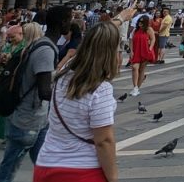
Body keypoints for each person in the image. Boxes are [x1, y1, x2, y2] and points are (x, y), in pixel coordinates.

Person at [33, 21, 121, 182]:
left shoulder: (64, 72)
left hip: (45, 166)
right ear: (111, 53)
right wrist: (113, 177)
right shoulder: (101, 89)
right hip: (81, 171)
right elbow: (103, 141)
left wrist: (119, 19)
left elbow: (97, 41)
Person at [0, 6, 69, 182]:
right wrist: (70, 101)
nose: (70, 23)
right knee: (8, 169)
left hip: (37, 119)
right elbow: (44, 90)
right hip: (27, 120)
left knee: (46, 164)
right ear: (61, 23)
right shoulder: (46, 50)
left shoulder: (41, 43)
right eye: (68, 20)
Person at [129, 16, 157, 97]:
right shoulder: (135, 30)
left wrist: (150, 48)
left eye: (142, 22)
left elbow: (153, 39)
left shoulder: (149, 29)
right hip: (136, 51)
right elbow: (131, 40)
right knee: (135, 68)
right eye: (139, 22)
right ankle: (135, 87)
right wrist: (131, 51)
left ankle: (137, 88)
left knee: (141, 69)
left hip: (145, 51)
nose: (140, 23)